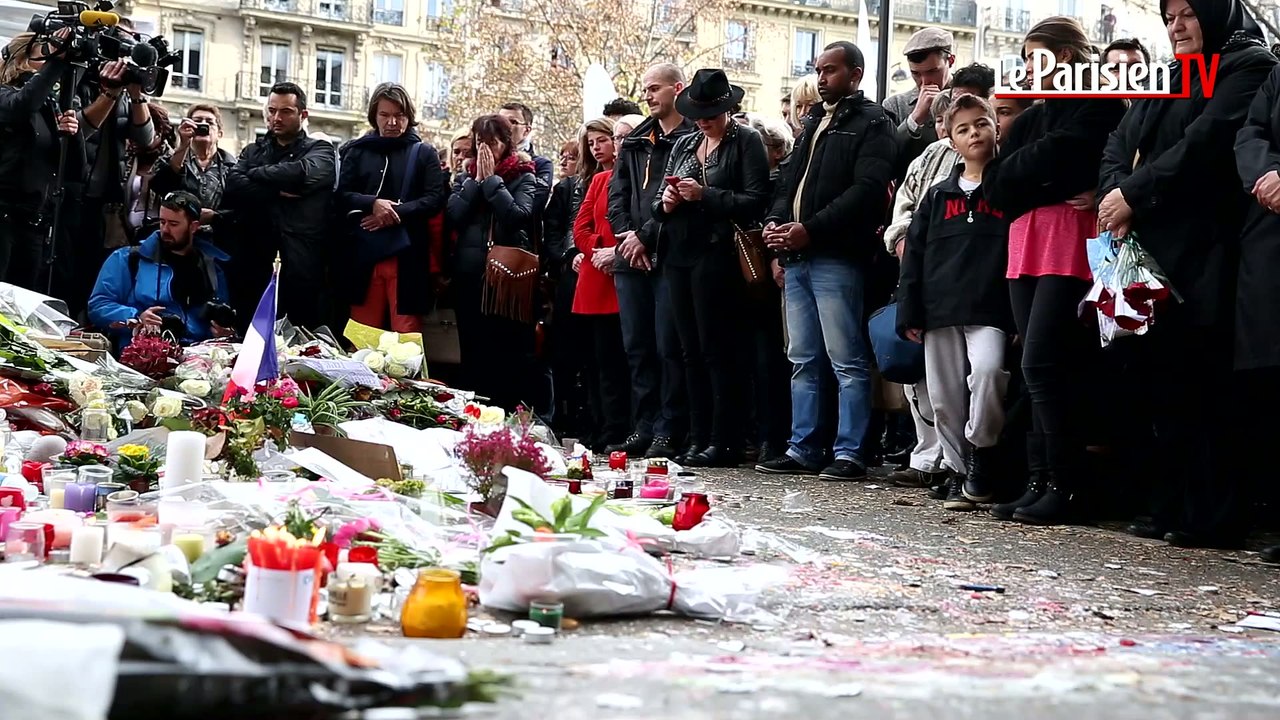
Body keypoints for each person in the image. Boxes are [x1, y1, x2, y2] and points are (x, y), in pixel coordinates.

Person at [1099, 0, 1277, 548]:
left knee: (1203, 379)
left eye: (1187, 14)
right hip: (1143, 242)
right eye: (1169, 16)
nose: (1176, 26)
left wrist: (1133, 192)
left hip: (1205, 245)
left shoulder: (1246, 64)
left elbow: (1207, 141)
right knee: (1157, 377)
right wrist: (1114, 195)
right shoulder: (1172, 70)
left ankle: (1213, 511)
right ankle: (1171, 499)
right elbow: (1120, 138)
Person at [981, 16, 1127, 526]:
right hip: (1027, 243)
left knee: (1047, 361)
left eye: (1033, 57)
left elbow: (1072, 155)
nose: (1026, 68)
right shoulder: (1029, 118)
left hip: (1071, 240)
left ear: (1063, 58)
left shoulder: (1101, 101)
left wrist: (1028, 172)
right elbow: (996, 184)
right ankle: (1040, 479)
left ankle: (1066, 484)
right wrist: (1034, 172)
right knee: (1033, 367)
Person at [756, 40, 898, 481]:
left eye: (831, 70)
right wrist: (777, 224)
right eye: (818, 70)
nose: (822, 79)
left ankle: (850, 452)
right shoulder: (813, 119)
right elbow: (787, 183)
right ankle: (804, 448)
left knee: (846, 358)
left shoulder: (874, 121)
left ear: (855, 74)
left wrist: (810, 229)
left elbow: (868, 190)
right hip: (797, 256)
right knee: (802, 357)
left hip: (837, 255)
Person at [897, 95, 1013, 512]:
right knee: (944, 396)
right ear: (950, 138)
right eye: (962, 129)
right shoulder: (938, 195)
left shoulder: (1008, 186)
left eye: (981, 124)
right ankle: (959, 470)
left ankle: (981, 452)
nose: (974, 133)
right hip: (940, 307)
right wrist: (909, 308)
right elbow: (916, 255)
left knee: (987, 374)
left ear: (995, 128)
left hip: (991, 306)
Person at [653, 69, 770, 467]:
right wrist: (667, 202)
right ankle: (697, 434)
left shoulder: (746, 141)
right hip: (680, 252)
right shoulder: (685, 143)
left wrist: (706, 194)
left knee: (718, 349)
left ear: (727, 109)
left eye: (712, 113)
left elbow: (755, 199)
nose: (704, 120)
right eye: (698, 113)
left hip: (719, 255)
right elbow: (656, 201)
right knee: (688, 351)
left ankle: (726, 439)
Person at [607, 63, 696, 459]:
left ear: (677, 88)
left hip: (668, 255)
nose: (648, 96)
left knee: (668, 346)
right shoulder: (636, 140)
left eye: (654, 88)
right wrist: (628, 237)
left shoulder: (693, 137)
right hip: (631, 257)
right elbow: (617, 197)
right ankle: (643, 425)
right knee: (636, 347)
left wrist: (647, 238)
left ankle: (669, 428)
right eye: (645, 90)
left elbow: (676, 203)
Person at [224, 82, 336, 331]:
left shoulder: (320, 150)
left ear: (302, 115)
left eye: (285, 111)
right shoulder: (253, 150)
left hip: (300, 267)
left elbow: (300, 172)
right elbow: (232, 185)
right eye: (272, 110)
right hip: (254, 264)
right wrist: (273, 190)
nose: (276, 117)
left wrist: (255, 175)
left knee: (299, 347)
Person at [447, 114, 539, 410]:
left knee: (505, 350)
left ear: (506, 144)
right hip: (470, 275)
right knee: (473, 348)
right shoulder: (464, 177)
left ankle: (503, 411)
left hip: (505, 279)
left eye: (493, 143)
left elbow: (518, 216)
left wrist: (492, 182)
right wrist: (475, 182)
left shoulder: (524, 175)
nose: (486, 149)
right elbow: (453, 215)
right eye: (480, 143)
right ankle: (473, 412)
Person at [338, 82, 445, 333]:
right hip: (364, 255)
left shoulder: (424, 153)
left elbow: (434, 199)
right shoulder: (357, 151)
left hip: (407, 256)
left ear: (409, 116)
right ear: (374, 116)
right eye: (385, 115)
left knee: (406, 340)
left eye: (399, 115)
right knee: (363, 336)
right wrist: (372, 204)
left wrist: (392, 214)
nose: (392, 122)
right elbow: (341, 196)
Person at [87, 191, 232, 350]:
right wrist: (137, 317)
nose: (165, 229)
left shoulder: (211, 267)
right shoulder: (128, 258)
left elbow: (219, 316)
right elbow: (98, 306)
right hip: (142, 356)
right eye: (162, 222)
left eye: (174, 224)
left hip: (196, 358)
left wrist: (223, 333)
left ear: (193, 227)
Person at [572, 117, 632, 450]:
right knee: (592, 363)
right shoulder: (599, 180)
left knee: (614, 363)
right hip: (594, 277)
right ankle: (595, 427)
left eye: (606, 140)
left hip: (620, 274)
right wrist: (596, 248)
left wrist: (615, 251)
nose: (598, 147)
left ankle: (616, 430)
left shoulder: (632, 178)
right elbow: (579, 227)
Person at [744, 112, 795, 462]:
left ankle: (772, 436)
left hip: (772, 278)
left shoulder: (781, 182)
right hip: (744, 277)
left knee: (771, 361)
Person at [883, 28, 956, 180]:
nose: (924, 81)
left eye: (932, 71)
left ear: (950, 61)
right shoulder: (896, 105)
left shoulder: (969, 97)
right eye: (916, 74)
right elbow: (886, 163)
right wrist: (915, 119)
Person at [151, 104, 237, 227]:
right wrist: (183, 145)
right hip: (179, 235)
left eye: (210, 122)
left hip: (218, 237)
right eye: (197, 121)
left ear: (219, 133)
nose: (204, 124)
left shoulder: (233, 166)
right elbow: (160, 186)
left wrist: (215, 216)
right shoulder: (174, 158)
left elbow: (239, 208)